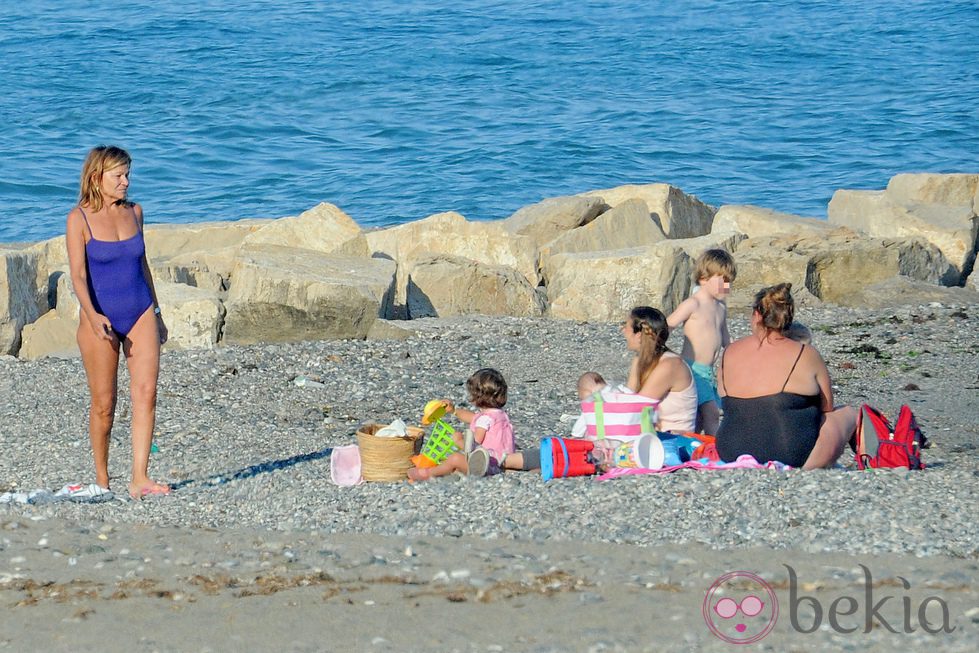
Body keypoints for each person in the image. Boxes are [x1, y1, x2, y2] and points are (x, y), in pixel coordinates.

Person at [66, 145, 170, 499]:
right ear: (97, 178)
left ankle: (140, 478)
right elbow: (78, 276)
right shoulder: (78, 218)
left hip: (139, 309)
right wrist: (92, 315)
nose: (126, 182)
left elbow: (143, 267)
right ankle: (102, 479)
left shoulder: (135, 212)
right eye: (119, 176)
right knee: (104, 404)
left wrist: (157, 312)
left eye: (128, 174)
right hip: (100, 316)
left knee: (147, 393)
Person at [716, 283, 856, 469]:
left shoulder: (729, 352)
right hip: (789, 453)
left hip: (730, 451)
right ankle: (873, 464)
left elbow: (723, 398)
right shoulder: (805, 353)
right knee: (849, 413)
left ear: (757, 315)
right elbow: (827, 406)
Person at [667, 249, 736, 435]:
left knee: (698, 415)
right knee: (712, 412)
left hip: (708, 370)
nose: (727, 287)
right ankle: (716, 447)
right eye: (723, 281)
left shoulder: (721, 307)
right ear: (704, 278)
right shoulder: (693, 304)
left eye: (729, 282)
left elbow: (725, 337)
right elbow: (669, 324)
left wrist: (736, 354)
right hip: (692, 367)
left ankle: (695, 444)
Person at [408, 368, 516, 480]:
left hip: (487, 466)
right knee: (456, 465)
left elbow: (473, 445)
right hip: (505, 463)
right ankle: (451, 472)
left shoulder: (484, 419)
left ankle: (428, 473)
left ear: (476, 396)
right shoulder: (500, 416)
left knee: (455, 458)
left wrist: (459, 440)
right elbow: (473, 418)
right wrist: (454, 411)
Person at [624, 306, 697, 433]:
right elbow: (629, 399)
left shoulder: (670, 365)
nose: (623, 331)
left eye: (626, 327)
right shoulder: (641, 360)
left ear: (639, 336)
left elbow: (639, 407)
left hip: (676, 442)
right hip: (655, 436)